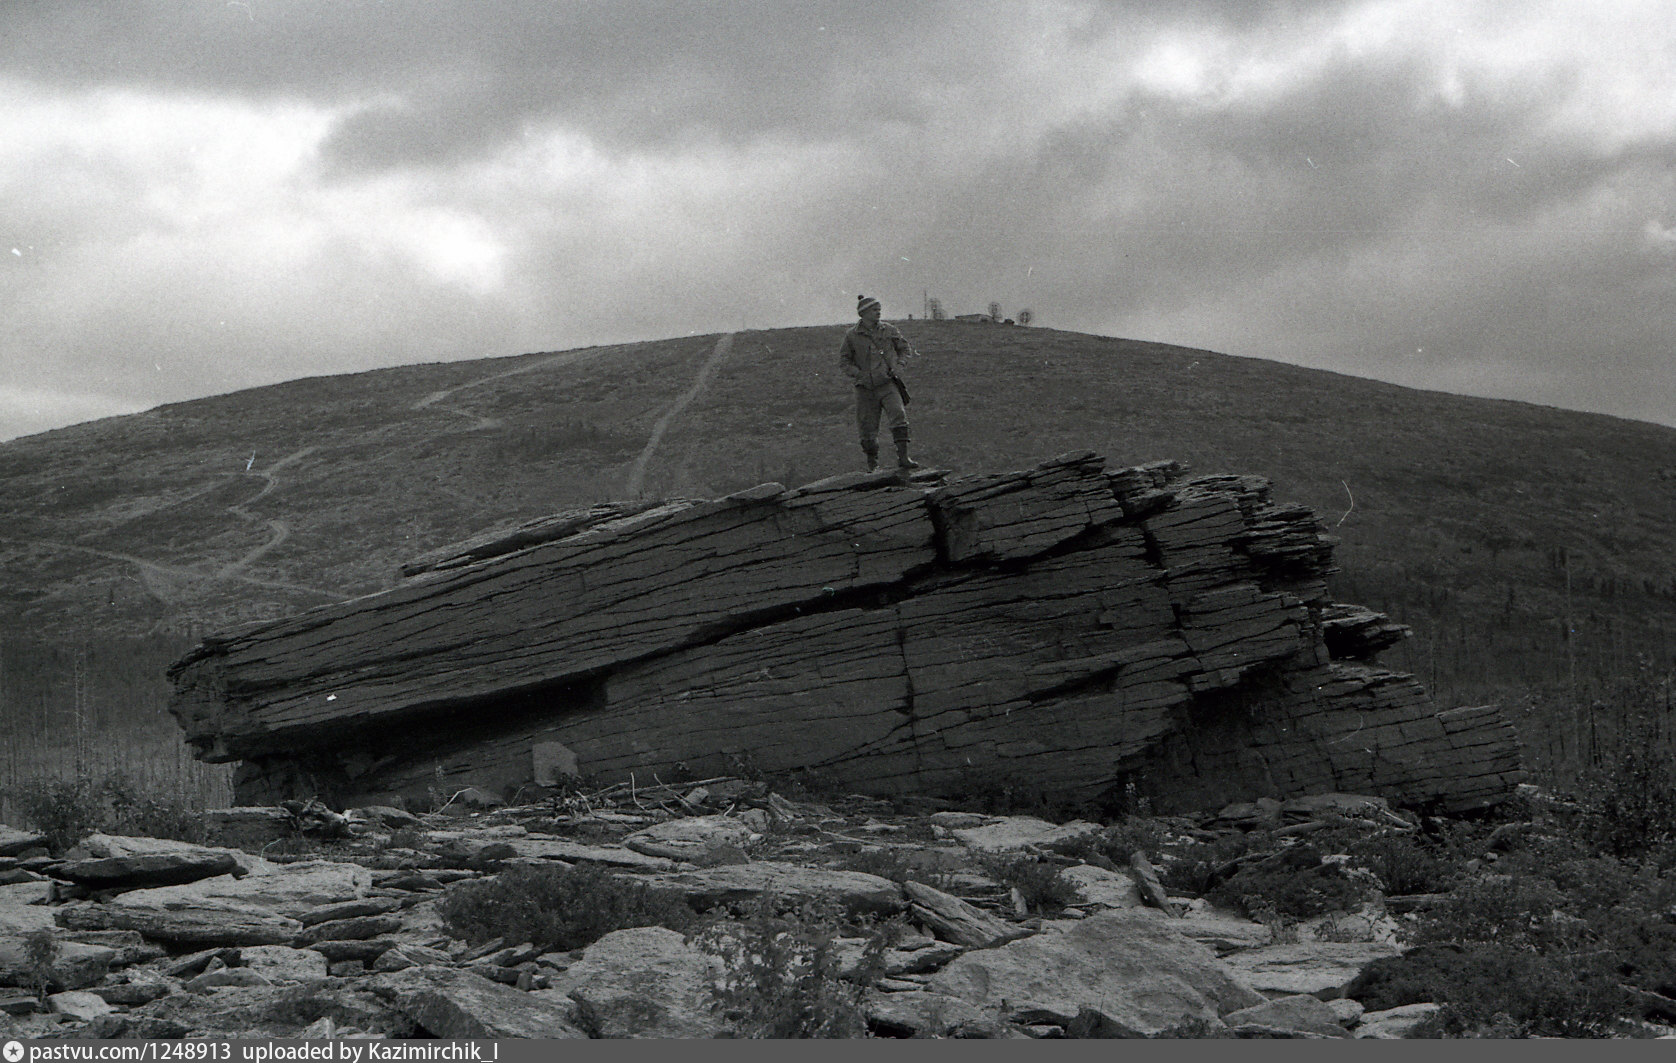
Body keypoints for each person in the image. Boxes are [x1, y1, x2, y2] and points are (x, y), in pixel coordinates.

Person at [839, 294, 921, 472]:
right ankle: (873, 465)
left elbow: (904, 349)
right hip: (865, 388)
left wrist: (899, 365)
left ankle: (903, 458)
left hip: (887, 383)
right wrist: (858, 374)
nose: (878, 312)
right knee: (867, 427)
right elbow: (844, 361)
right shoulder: (852, 335)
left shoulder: (889, 330)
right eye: (874, 310)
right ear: (863, 313)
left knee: (899, 415)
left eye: (879, 309)